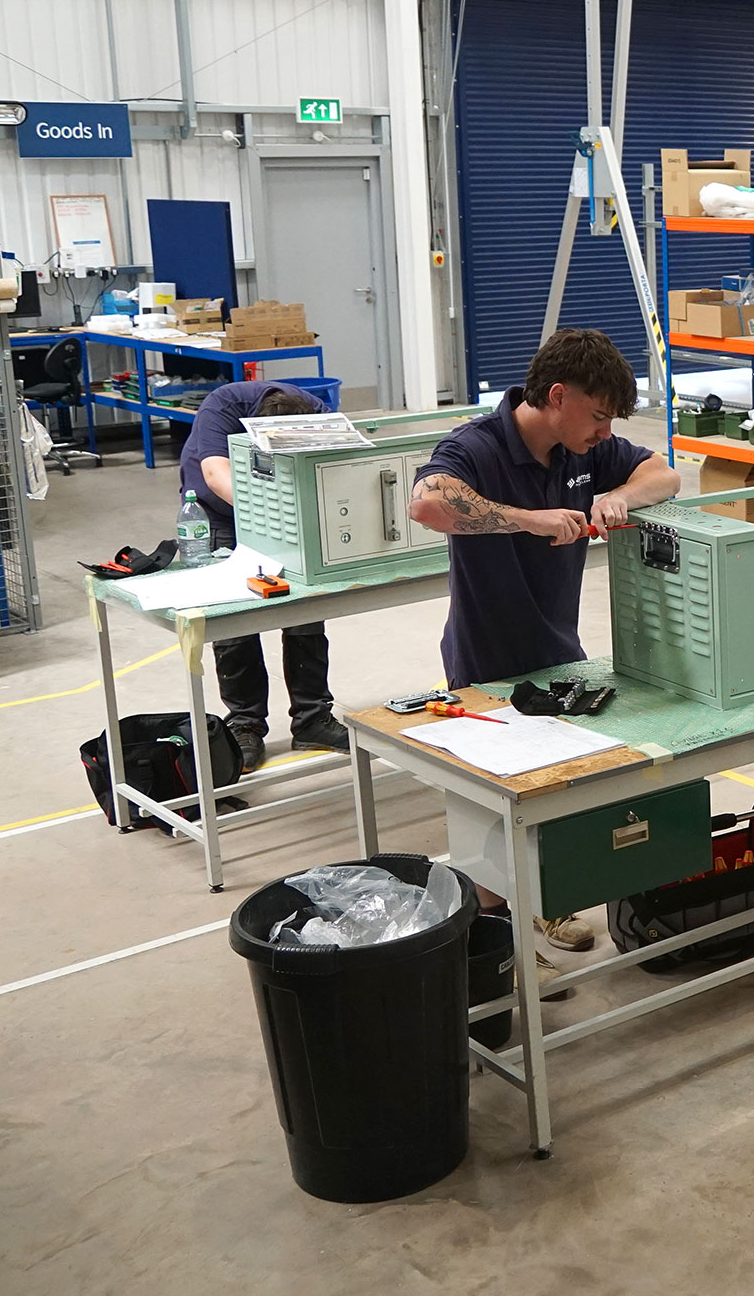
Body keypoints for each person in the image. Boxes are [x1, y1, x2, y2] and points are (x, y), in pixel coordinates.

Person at [409, 328, 681, 970]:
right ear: (557, 396)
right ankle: (500, 946)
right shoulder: (477, 446)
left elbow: (664, 473)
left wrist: (617, 495)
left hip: (558, 654)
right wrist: (528, 519)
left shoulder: (584, 449)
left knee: (553, 797)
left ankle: (543, 901)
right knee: (489, 814)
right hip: (484, 664)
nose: (605, 431)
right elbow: (427, 505)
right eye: (598, 415)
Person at [179, 380, 345, 771]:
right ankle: (245, 724)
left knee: (305, 610)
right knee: (235, 618)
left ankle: (312, 719)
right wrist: (271, 512)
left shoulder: (316, 413)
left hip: (289, 511)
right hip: (219, 514)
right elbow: (216, 474)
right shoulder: (223, 406)